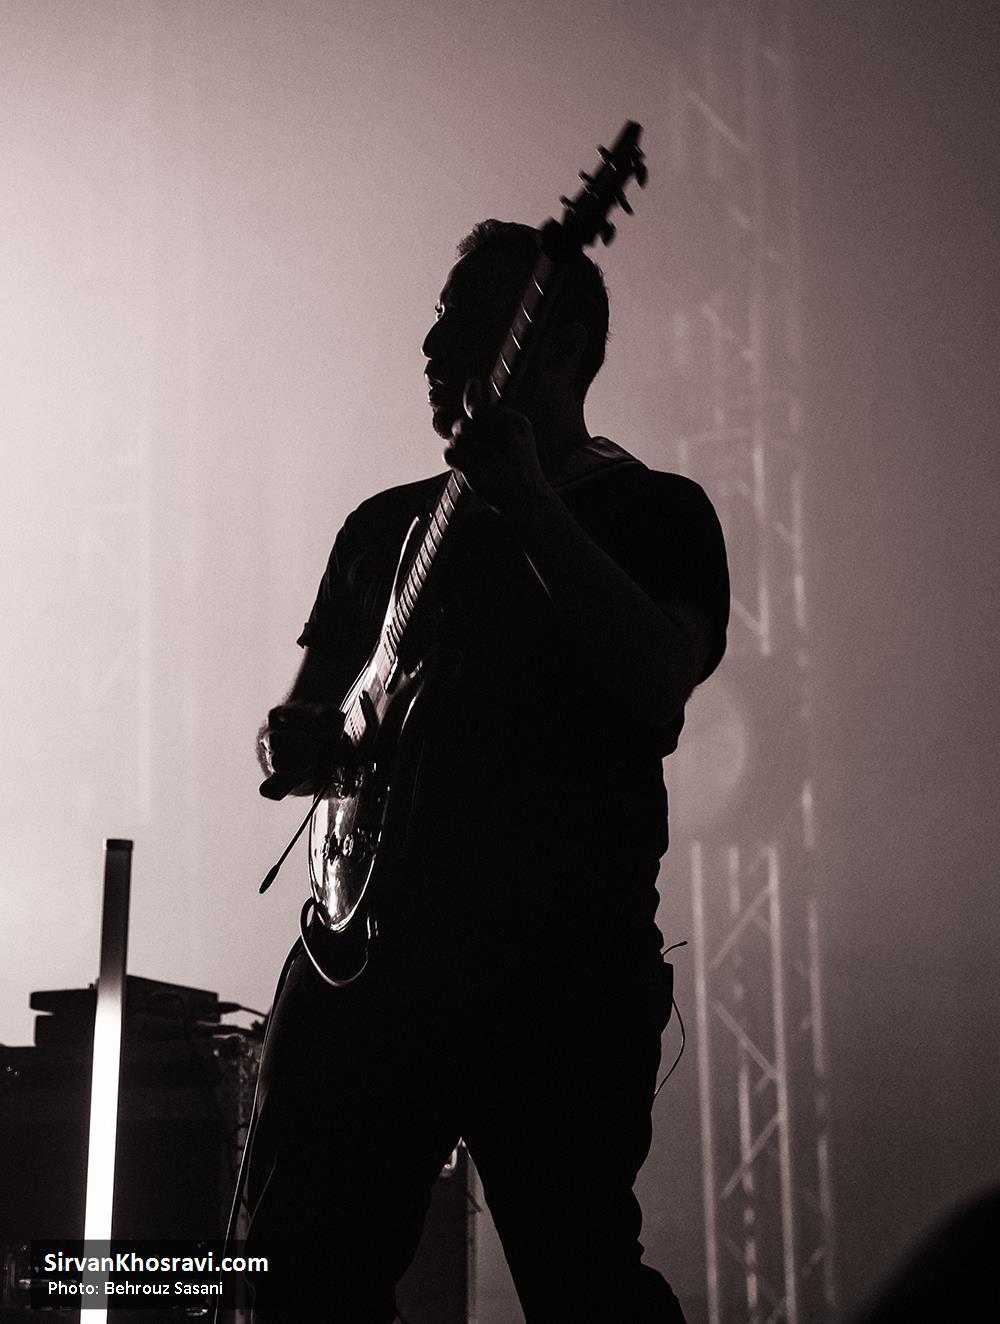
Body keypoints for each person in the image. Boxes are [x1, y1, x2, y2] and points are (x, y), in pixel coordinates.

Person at [246, 220, 729, 1323]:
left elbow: (660, 679)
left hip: (556, 971)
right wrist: (290, 741)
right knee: (298, 1271)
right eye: (436, 319)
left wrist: (530, 506)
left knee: (581, 1282)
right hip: (364, 962)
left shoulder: (656, 512)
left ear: (555, 346)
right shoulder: (382, 529)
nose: (430, 345)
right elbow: (312, 715)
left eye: (464, 319)